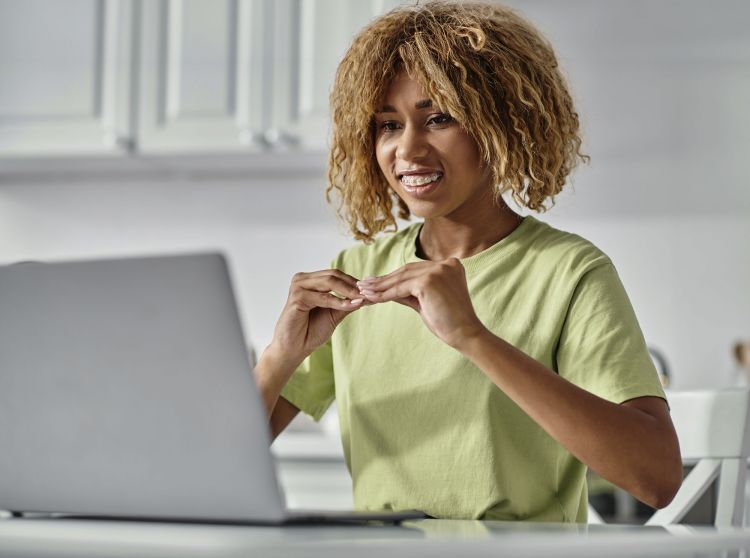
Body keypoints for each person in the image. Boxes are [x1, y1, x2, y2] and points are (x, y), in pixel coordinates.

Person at [253, 0, 682, 522]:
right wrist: (280, 355)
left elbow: (656, 479)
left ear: (501, 123)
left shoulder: (569, 272)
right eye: (387, 125)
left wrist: (471, 336)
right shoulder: (359, 273)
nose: (407, 150)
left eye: (438, 118)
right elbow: (215, 463)